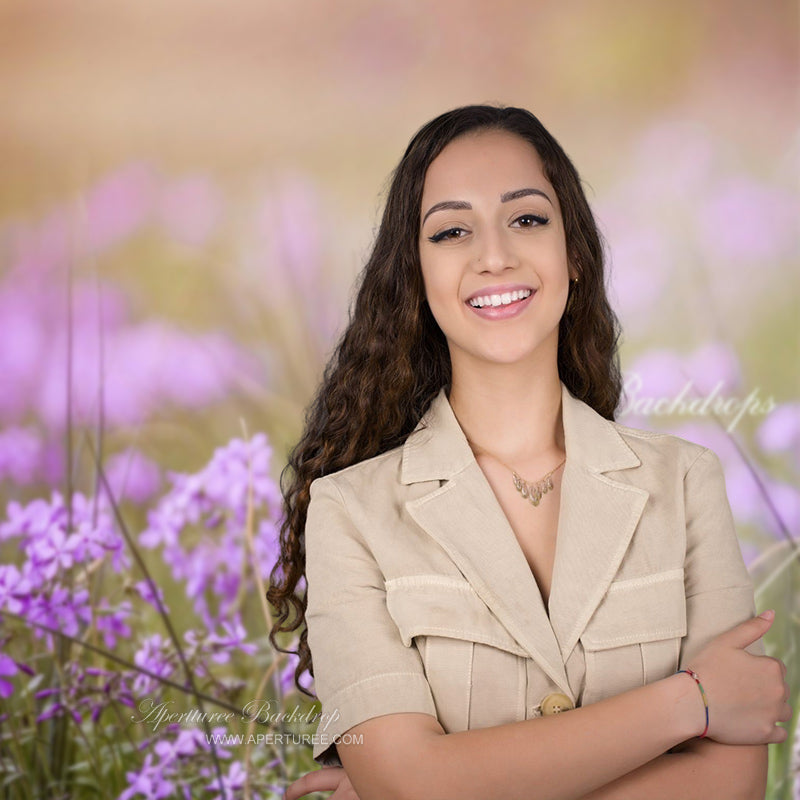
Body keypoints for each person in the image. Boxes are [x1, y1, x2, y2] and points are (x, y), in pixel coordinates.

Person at [267, 104, 791, 800]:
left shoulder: (688, 483)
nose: (494, 255)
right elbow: (409, 785)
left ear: (572, 251)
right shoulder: (348, 513)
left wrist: (441, 783)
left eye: (527, 218)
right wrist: (690, 702)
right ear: (414, 276)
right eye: (452, 231)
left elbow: (731, 787)